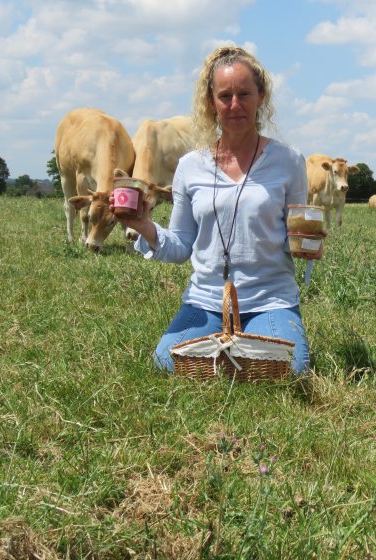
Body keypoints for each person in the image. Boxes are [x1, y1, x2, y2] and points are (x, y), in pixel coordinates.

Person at [113, 45, 310, 374]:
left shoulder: (288, 161)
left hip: (270, 299)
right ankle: (237, 359)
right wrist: (144, 224)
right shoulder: (191, 166)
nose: (235, 105)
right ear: (211, 102)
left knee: (292, 369)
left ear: (261, 97)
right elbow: (180, 246)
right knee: (165, 363)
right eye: (225, 96)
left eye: (244, 94)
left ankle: (230, 358)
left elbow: (297, 237)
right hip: (207, 301)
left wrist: (307, 244)